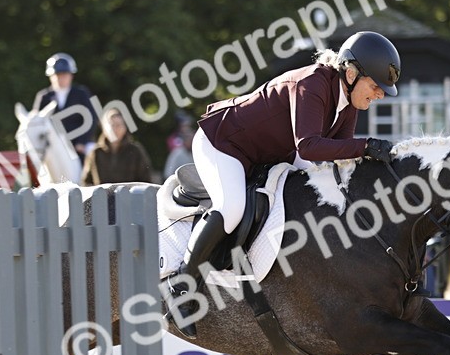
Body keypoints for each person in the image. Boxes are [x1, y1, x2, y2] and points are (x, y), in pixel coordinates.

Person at [165, 30, 401, 338]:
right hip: (224, 144)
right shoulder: (313, 84)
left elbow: (338, 158)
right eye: (375, 86)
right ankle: (182, 286)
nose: (379, 94)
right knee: (232, 207)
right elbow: (309, 147)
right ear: (352, 72)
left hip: (269, 156)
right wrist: (366, 146)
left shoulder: (348, 104)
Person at [32, 52, 99, 157]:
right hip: (51, 146)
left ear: (71, 75)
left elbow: (92, 118)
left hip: (78, 145)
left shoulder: (81, 93)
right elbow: (36, 123)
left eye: (64, 74)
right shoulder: (44, 96)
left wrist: (82, 142)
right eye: (57, 75)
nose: (61, 78)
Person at [81, 108, 153, 185]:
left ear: (125, 127)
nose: (115, 129)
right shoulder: (96, 152)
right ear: (104, 128)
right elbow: (86, 182)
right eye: (111, 125)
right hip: (101, 196)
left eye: (118, 125)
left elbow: (146, 181)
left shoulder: (135, 151)